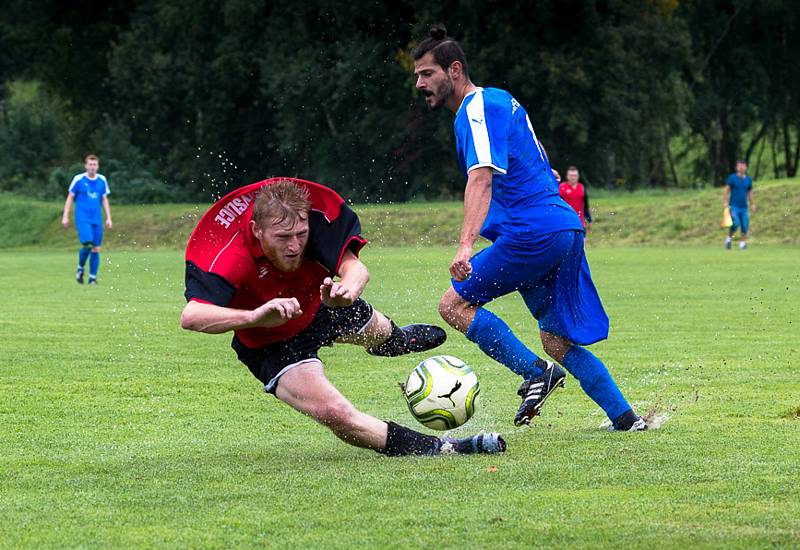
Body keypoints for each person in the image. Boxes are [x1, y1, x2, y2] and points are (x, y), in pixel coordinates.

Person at [412, 26, 646, 431]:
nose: (419, 83)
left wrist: (465, 246)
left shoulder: (475, 108)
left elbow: (481, 177)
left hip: (532, 232)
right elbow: (530, 159)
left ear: (454, 69)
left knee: (453, 306)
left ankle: (536, 374)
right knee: (556, 340)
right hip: (562, 230)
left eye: (427, 73)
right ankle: (627, 419)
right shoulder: (501, 100)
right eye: (417, 75)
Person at [180, 177, 506, 456]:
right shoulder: (226, 253)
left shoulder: (315, 221)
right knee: (335, 414)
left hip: (321, 305)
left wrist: (347, 291)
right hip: (270, 343)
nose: (294, 246)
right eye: (282, 238)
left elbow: (355, 269)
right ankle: (446, 448)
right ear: (256, 229)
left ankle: (395, 340)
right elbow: (192, 315)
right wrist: (255, 317)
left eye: (300, 235)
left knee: (379, 331)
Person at [61, 154, 112, 284]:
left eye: (94, 164)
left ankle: (92, 278)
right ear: (86, 166)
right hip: (82, 217)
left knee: (96, 248)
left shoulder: (102, 180)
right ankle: (80, 268)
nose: (92, 167)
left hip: (96, 218)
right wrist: (65, 216)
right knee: (88, 243)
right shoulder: (78, 179)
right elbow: (70, 197)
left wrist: (108, 218)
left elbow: (104, 199)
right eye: (90, 164)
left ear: (98, 166)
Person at [723, 160, 756, 250]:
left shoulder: (748, 180)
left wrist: (753, 204)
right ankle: (729, 239)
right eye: (739, 166)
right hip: (734, 206)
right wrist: (725, 202)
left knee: (745, 225)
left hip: (744, 207)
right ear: (737, 168)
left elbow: (750, 193)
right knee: (735, 223)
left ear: (746, 167)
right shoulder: (732, 178)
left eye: (743, 166)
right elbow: (726, 190)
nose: (741, 167)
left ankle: (742, 243)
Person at [559, 166, 592, 231]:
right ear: (567, 176)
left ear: (578, 176)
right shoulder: (561, 187)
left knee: (582, 241)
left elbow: (585, 206)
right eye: (571, 175)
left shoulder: (582, 188)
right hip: (565, 223)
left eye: (575, 175)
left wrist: (589, 219)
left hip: (580, 223)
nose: (573, 177)